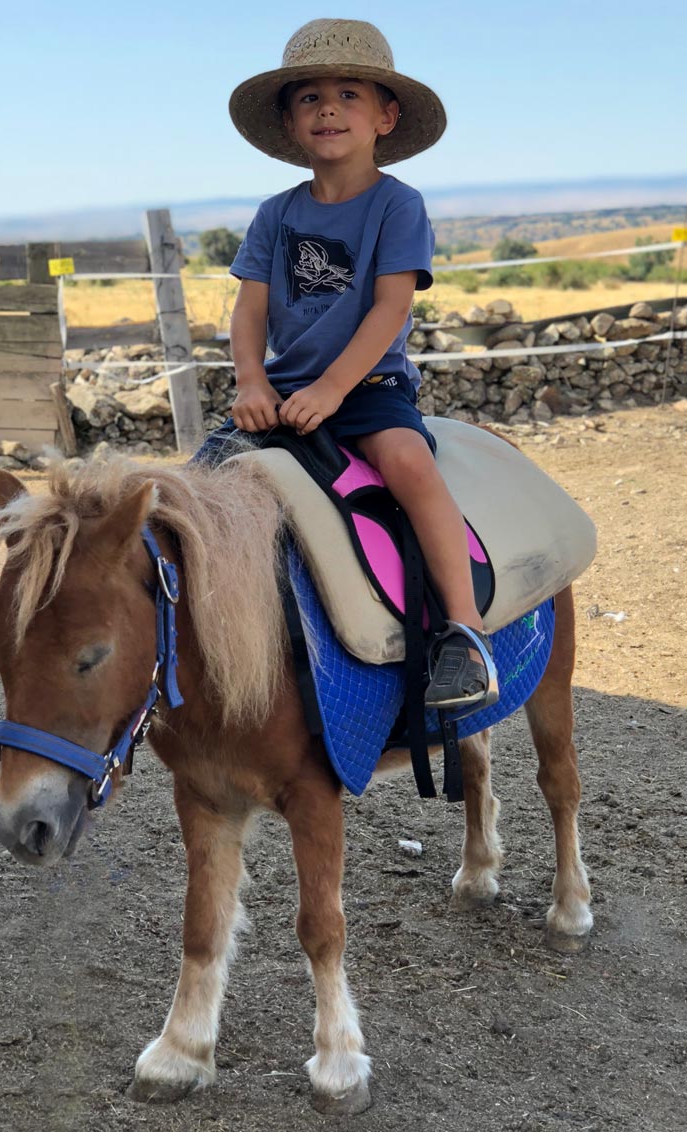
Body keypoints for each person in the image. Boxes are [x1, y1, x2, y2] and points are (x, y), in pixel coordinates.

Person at [226, 18, 496, 710]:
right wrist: (252, 380)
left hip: (369, 384)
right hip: (285, 391)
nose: (329, 109)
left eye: (349, 94)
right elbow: (250, 311)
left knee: (407, 462)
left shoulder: (397, 205)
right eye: (310, 97)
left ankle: (464, 632)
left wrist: (333, 386)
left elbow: (389, 310)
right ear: (289, 122)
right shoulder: (274, 215)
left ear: (385, 115)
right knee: (202, 491)